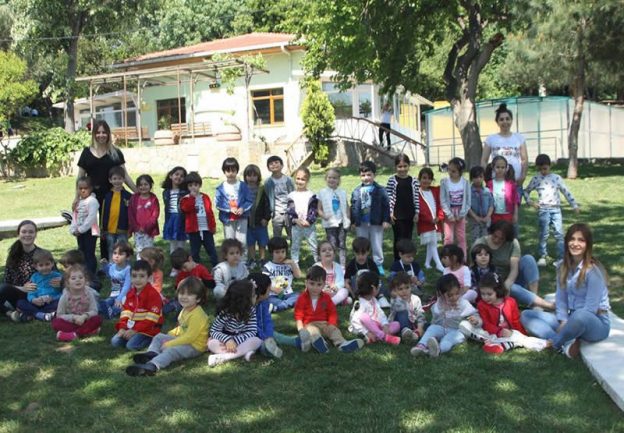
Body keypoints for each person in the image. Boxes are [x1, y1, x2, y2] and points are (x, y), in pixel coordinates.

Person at [521, 223, 610, 358]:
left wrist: (568, 323)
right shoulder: (562, 266)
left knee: (580, 315)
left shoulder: (593, 272)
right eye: (572, 239)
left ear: (587, 245)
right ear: (567, 242)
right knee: (526, 315)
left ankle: (555, 343)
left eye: (581, 240)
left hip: (595, 322)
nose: (575, 244)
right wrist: (563, 321)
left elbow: (590, 309)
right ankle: (566, 344)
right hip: (570, 318)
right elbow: (561, 298)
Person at [75, 119, 136, 260]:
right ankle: (86, 258)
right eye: (98, 132)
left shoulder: (115, 152)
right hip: (90, 197)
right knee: (88, 228)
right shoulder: (86, 152)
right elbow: (80, 178)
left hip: (111, 196)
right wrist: (76, 197)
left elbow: (124, 175)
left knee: (107, 229)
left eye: (104, 132)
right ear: (94, 134)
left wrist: (138, 192)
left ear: (108, 134)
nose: (101, 135)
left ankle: (107, 259)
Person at [125, 276, 209, 376]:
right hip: (184, 339)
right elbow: (182, 327)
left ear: (198, 299)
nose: (184, 297)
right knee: (159, 337)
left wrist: (170, 343)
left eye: (189, 294)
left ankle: (152, 366)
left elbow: (190, 337)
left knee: (171, 350)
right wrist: (171, 334)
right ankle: (152, 353)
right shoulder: (185, 310)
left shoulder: (197, 315)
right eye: (182, 293)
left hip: (195, 346)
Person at [460, 272, 548, 354]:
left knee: (518, 337)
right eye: (483, 294)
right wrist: (499, 331)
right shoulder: (481, 305)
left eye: (489, 294)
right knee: (464, 325)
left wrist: (521, 333)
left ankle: (539, 343)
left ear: (498, 291)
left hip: (509, 333)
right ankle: (502, 343)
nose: (485, 297)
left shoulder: (511, 302)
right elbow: (486, 323)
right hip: (491, 333)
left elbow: (516, 320)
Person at [473, 221, 554, 310]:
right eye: (494, 236)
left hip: (511, 278)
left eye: (501, 239)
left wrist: (507, 285)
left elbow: (514, 269)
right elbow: (473, 267)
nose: (496, 240)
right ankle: (547, 305)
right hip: (493, 285)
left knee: (528, 259)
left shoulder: (512, 243)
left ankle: (534, 300)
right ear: (491, 232)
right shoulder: (480, 243)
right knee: (513, 288)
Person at [523, 154, 580, 266]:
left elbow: (566, 192)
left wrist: (574, 205)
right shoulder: (536, 179)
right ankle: (542, 256)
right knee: (543, 234)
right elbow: (526, 191)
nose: (543, 171)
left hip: (556, 210)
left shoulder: (556, 178)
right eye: (540, 169)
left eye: (545, 168)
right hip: (543, 210)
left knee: (559, 233)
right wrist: (531, 202)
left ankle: (561, 258)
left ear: (550, 166)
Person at [295, 265, 364, 354]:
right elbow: (298, 316)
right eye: (312, 283)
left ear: (324, 285)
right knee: (312, 331)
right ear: (306, 283)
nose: (315, 287)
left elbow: (332, 312)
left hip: (324, 324)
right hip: (309, 324)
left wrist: (332, 324)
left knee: (334, 331)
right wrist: (301, 329)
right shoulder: (302, 298)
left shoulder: (326, 298)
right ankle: (319, 342)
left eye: (319, 284)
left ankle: (342, 344)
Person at [411, 274, 481, 358]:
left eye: (457, 293)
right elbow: (434, 321)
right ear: (441, 295)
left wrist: (475, 321)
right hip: (442, 328)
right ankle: (421, 346)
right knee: (432, 329)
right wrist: (434, 327)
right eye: (450, 295)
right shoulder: (439, 305)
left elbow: (473, 315)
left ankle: (437, 350)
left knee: (448, 340)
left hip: (456, 331)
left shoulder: (463, 304)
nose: (454, 297)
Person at [1, 221, 57, 318]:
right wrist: (22, 288)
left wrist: (59, 282)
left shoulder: (43, 254)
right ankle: (10, 313)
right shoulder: (13, 254)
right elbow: (7, 282)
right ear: (18, 234)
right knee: (3, 288)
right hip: (20, 294)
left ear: (35, 234)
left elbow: (55, 276)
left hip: (41, 294)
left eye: (31, 232)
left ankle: (18, 312)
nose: (27, 235)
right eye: (24, 232)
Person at [207, 280, 262, 367]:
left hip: (242, 340)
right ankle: (244, 353)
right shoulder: (226, 312)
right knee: (212, 343)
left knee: (257, 341)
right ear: (244, 300)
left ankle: (223, 357)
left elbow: (252, 331)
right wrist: (227, 340)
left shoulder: (251, 311)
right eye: (253, 295)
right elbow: (214, 331)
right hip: (224, 341)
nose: (256, 296)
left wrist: (236, 341)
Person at [111, 260, 163, 351]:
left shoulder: (153, 295)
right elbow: (125, 313)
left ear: (149, 278)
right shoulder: (130, 293)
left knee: (131, 346)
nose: (137, 280)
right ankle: (131, 337)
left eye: (142, 276)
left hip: (149, 329)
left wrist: (135, 330)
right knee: (115, 342)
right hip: (131, 327)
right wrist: (122, 328)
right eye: (134, 276)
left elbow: (152, 319)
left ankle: (153, 338)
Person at [350, 160, 391, 275]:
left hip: (376, 222)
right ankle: (363, 262)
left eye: (369, 175)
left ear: (374, 175)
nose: (366, 178)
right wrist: (353, 221)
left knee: (376, 243)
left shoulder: (380, 190)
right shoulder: (356, 191)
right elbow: (353, 207)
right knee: (361, 243)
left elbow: (386, 206)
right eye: (363, 175)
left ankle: (378, 263)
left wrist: (386, 220)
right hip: (361, 222)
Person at [481, 103, 528, 193]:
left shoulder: (519, 138)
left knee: (514, 203)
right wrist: (486, 177)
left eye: (507, 119)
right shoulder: (491, 139)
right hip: (496, 183)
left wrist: (523, 176)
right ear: (497, 122)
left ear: (511, 120)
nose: (505, 122)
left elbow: (524, 160)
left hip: (515, 183)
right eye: (501, 119)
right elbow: (484, 160)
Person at [348, 271, 401, 345]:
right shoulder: (360, 303)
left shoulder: (374, 300)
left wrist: (385, 325)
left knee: (397, 324)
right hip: (362, 328)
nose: (379, 288)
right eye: (379, 286)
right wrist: (366, 332)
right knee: (364, 316)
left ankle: (377, 336)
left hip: (376, 327)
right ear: (373, 288)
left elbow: (380, 314)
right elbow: (355, 321)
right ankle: (382, 336)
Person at [52, 264, 103, 341]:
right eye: (73, 278)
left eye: (81, 277)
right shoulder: (65, 296)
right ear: (67, 282)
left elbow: (94, 310)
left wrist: (84, 316)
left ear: (85, 280)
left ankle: (74, 335)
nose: (78, 280)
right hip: (71, 322)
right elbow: (60, 315)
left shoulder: (89, 293)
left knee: (98, 319)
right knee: (56, 322)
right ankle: (87, 332)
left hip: (86, 320)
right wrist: (73, 317)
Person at [215, 157, 253, 260]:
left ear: (237, 171)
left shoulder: (243, 186)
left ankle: (243, 261)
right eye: (228, 171)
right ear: (224, 172)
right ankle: (230, 260)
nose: (231, 173)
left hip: (242, 217)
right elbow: (218, 203)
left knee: (242, 241)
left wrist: (243, 208)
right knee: (229, 241)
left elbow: (249, 200)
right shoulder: (220, 188)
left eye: (233, 170)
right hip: (227, 218)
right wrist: (229, 209)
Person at [180, 171, 218, 267]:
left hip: (206, 229)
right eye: (190, 185)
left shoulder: (205, 197)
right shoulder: (185, 199)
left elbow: (210, 212)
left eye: (195, 185)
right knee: (195, 251)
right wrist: (192, 198)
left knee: (212, 250)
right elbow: (186, 208)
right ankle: (196, 268)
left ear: (199, 185)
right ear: (187, 187)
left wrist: (213, 226)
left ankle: (216, 267)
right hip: (194, 231)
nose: (193, 187)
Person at [12, 249, 62, 322]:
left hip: (51, 302)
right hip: (37, 303)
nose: (44, 267)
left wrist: (53, 298)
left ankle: (33, 315)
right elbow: (31, 293)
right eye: (41, 265)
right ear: (35, 266)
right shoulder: (34, 277)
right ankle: (42, 314)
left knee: (60, 303)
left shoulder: (57, 276)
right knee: (20, 303)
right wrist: (34, 300)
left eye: (47, 264)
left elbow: (63, 293)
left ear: (52, 263)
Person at [386, 153, 419, 260]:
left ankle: (407, 258)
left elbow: (417, 197)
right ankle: (398, 260)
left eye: (405, 166)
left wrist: (417, 212)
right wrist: (390, 212)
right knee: (399, 238)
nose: (402, 169)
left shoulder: (413, 180)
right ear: (395, 167)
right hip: (397, 215)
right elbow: (389, 197)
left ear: (409, 166)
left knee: (408, 237)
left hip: (410, 214)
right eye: (399, 166)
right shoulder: (392, 180)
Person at [317, 168, 350, 268]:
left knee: (342, 243)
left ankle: (342, 265)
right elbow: (319, 209)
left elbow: (347, 207)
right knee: (332, 244)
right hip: (330, 223)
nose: (331, 180)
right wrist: (324, 216)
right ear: (326, 178)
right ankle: (333, 264)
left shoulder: (342, 192)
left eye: (334, 178)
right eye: (329, 177)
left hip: (341, 222)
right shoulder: (322, 192)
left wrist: (348, 219)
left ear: (338, 180)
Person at [286, 167, 319, 264]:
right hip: (296, 226)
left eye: (303, 179)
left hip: (309, 226)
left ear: (307, 180)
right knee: (295, 246)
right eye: (298, 178)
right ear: (294, 178)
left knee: (314, 245)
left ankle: (318, 264)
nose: (300, 181)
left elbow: (314, 210)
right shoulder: (291, 195)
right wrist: (295, 220)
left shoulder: (311, 195)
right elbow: (290, 210)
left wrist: (309, 221)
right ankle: (295, 265)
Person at [261, 236, 302, 312]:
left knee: (299, 296)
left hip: (288, 293)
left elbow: (298, 275)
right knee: (270, 300)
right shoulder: (268, 266)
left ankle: (280, 306)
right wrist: (274, 289)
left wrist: (292, 263)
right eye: (277, 252)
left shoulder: (289, 265)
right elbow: (264, 282)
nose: (280, 254)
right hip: (273, 295)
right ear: (271, 252)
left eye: (283, 251)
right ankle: (285, 304)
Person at [100, 166, 132, 261]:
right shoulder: (107, 196)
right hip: (109, 230)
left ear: (123, 179)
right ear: (110, 180)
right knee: (111, 248)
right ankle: (112, 266)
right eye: (114, 179)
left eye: (119, 178)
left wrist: (130, 228)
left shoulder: (128, 196)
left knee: (123, 249)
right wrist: (102, 229)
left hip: (123, 229)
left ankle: (124, 266)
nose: (117, 181)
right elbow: (103, 213)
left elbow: (131, 214)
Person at [440, 157, 470, 257]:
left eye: (453, 171)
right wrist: (449, 215)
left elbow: (468, 201)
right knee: (448, 238)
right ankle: (447, 258)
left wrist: (462, 215)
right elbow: (443, 200)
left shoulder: (465, 183)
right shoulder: (444, 182)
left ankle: (462, 258)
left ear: (460, 172)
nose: (450, 173)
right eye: (449, 170)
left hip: (461, 213)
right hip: (449, 212)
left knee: (461, 237)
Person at [416, 167, 445, 272]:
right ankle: (438, 264)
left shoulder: (435, 191)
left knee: (432, 242)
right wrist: (429, 219)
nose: (426, 180)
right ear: (419, 179)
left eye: (429, 178)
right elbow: (420, 209)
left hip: (436, 221)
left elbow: (440, 205)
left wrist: (439, 217)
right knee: (433, 243)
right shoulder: (417, 193)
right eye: (424, 178)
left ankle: (427, 263)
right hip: (425, 223)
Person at [249, 272, 283, 358]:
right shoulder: (247, 306)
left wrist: (269, 336)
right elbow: (252, 326)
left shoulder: (264, 302)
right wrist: (264, 337)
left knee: (276, 335)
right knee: (255, 341)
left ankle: (296, 342)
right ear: (261, 293)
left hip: (262, 332)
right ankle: (265, 349)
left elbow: (267, 320)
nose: (270, 292)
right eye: (269, 290)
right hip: (248, 334)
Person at [70, 176, 100, 275]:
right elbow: (75, 216)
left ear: (91, 188)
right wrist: (73, 229)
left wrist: (81, 229)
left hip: (90, 231)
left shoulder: (92, 201)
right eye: (80, 188)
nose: (82, 190)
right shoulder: (78, 202)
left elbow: (91, 218)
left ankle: (91, 274)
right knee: (81, 251)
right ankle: (83, 272)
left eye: (85, 188)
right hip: (79, 231)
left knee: (89, 253)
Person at [243, 164, 271, 269]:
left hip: (260, 221)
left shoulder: (262, 189)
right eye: (249, 175)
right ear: (245, 177)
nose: (251, 178)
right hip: (248, 221)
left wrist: (266, 218)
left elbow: (267, 205)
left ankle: (262, 259)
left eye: (254, 176)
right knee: (250, 242)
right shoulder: (243, 189)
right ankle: (252, 259)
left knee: (262, 242)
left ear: (258, 176)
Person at [161, 166, 188, 265]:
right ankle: (174, 265)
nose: (179, 177)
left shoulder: (185, 192)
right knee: (173, 243)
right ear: (170, 176)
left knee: (181, 244)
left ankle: (182, 264)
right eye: (176, 174)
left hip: (181, 219)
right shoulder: (166, 192)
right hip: (171, 219)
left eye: (182, 176)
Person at [388, 272, 426, 343]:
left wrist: (420, 327)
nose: (404, 291)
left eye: (407, 287)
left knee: (426, 324)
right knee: (403, 312)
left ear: (411, 287)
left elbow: (420, 314)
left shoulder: (415, 299)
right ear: (395, 290)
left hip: (412, 323)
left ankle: (415, 334)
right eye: (400, 289)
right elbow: (399, 308)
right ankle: (405, 331)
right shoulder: (395, 300)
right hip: (398, 323)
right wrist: (397, 297)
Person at [128, 174, 160, 257]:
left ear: (150, 185)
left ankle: (149, 264)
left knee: (149, 250)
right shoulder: (134, 198)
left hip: (149, 230)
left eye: (146, 184)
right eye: (140, 185)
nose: (143, 187)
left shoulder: (153, 199)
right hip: (137, 230)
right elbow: (131, 214)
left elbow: (155, 215)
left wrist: (146, 227)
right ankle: (140, 264)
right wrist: (137, 227)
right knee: (139, 250)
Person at [343, 237, 382, 303]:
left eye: (363, 254)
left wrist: (374, 294)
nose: (360, 256)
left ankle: (379, 297)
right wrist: (353, 295)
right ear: (354, 252)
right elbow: (346, 282)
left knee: (380, 285)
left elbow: (378, 279)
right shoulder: (351, 264)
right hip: (356, 290)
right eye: (358, 254)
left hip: (370, 289)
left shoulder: (371, 263)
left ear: (368, 252)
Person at [264, 155, 295, 238]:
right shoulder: (268, 182)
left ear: (282, 165)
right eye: (271, 164)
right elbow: (267, 197)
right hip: (276, 213)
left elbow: (293, 194)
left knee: (292, 234)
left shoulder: (288, 180)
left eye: (276, 162)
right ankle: (277, 246)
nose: (274, 164)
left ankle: (293, 246)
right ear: (268, 168)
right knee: (277, 236)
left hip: (289, 212)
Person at [100, 241, 133, 318]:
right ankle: (103, 308)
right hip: (115, 292)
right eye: (115, 253)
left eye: (120, 254)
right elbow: (110, 274)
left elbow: (127, 286)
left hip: (125, 295)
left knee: (119, 305)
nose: (116, 256)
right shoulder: (112, 266)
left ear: (128, 257)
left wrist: (120, 298)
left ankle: (112, 312)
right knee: (108, 301)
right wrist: (105, 265)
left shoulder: (128, 269)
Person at [313, 240, 349, 305]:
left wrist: (336, 287)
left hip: (334, 291)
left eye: (330, 250)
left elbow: (341, 281)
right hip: (321, 291)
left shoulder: (337, 267)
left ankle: (331, 303)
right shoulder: (317, 266)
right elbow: (313, 281)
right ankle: (339, 301)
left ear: (334, 254)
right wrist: (323, 288)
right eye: (324, 250)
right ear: (319, 256)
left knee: (344, 291)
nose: (327, 251)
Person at [486, 155, 518, 225]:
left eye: (503, 167)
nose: (500, 169)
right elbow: (487, 200)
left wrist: (515, 214)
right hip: (493, 215)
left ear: (506, 168)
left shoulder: (511, 184)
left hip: (508, 215)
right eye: (498, 167)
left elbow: (515, 200)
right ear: (493, 167)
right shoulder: (489, 184)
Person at [467, 166, 493, 244]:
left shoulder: (487, 191)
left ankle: (484, 251)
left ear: (483, 177)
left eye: (480, 177)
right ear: (471, 178)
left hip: (486, 219)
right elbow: (467, 206)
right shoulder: (468, 192)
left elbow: (491, 205)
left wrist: (488, 216)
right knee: (475, 239)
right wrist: (476, 217)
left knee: (486, 239)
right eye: (475, 177)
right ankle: (475, 251)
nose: (478, 179)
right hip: (474, 220)